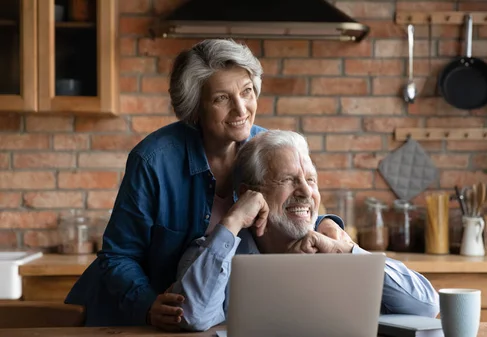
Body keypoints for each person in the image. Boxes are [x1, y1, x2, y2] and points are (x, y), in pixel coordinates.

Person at [63, 39, 342, 330]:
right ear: (195, 108)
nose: (240, 109)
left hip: (214, 321)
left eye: (247, 92)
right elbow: (118, 255)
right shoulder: (153, 160)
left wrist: (328, 225)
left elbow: (294, 204)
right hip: (134, 320)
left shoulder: (266, 148)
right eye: (222, 98)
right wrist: (146, 304)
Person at [172, 130, 440, 332]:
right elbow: (193, 315)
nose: (305, 192)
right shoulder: (212, 254)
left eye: (310, 179)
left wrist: (346, 251)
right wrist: (232, 221)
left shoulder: (338, 250)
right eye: (288, 180)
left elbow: (427, 306)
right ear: (248, 194)